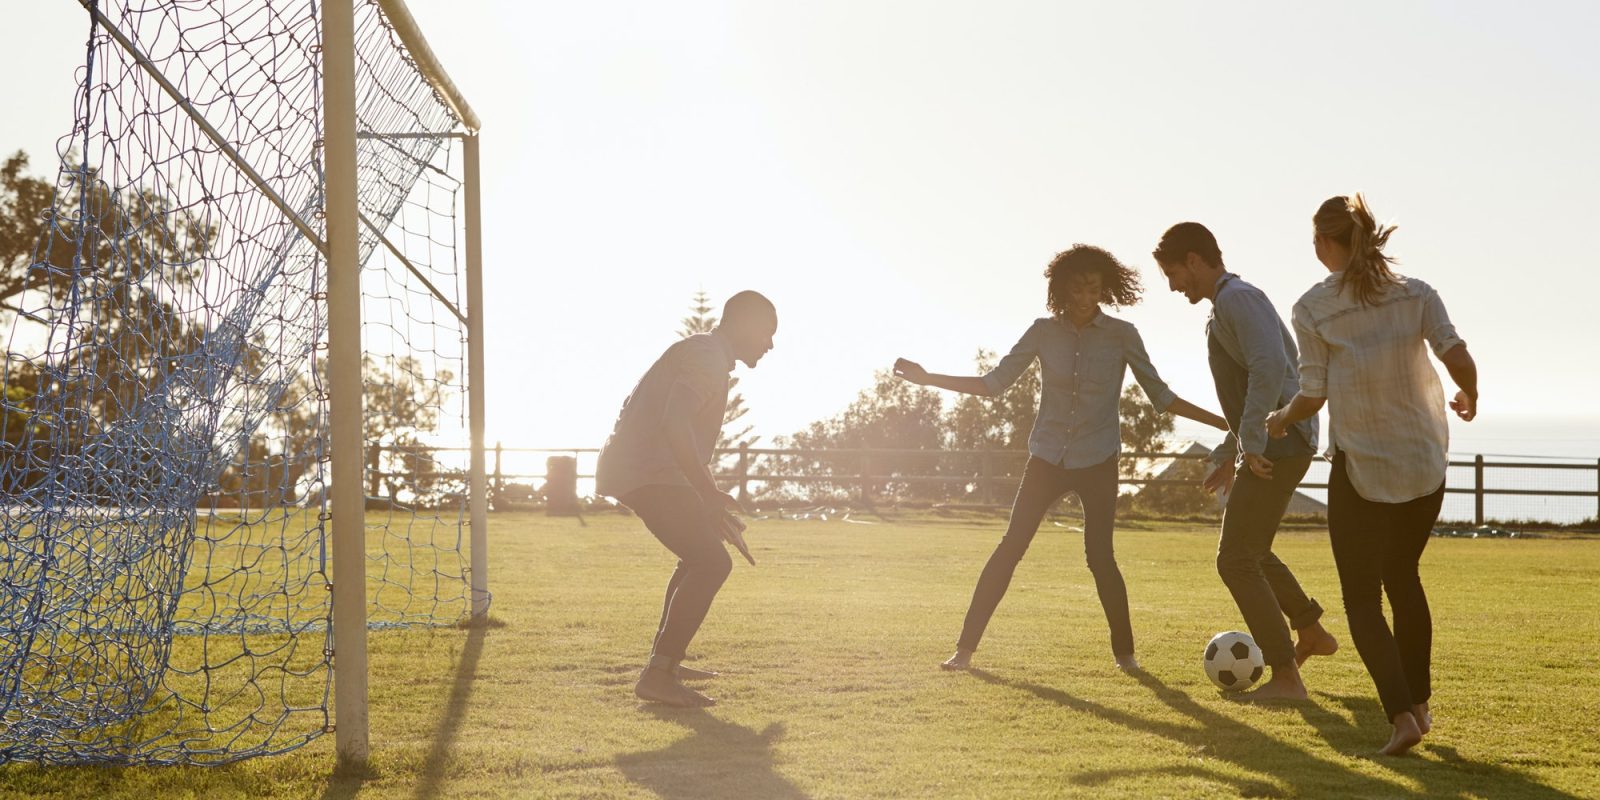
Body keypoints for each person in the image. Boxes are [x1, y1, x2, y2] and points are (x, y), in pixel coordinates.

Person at [895, 245, 1228, 673]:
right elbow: (994, 384)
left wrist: (1225, 422)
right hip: (1047, 457)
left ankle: (1126, 658)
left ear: (1103, 288)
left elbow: (1161, 397)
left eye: (1093, 287)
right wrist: (928, 379)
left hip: (1098, 459)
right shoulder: (1041, 332)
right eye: (1076, 288)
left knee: (1100, 557)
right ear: (1061, 289)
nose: (1085, 296)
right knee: (1010, 548)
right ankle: (964, 651)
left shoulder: (1123, 335)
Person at [1267, 194, 1477, 755]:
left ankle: (1403, 715)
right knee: (1403, 577)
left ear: (1325, 244)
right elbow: (1455, 352)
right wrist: (1468, 392)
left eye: (1316, 238)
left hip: (1361, 465)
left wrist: (1281, 418)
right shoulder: (1417, 294)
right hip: (1423, 462)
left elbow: (1313, 393)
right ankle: (1422, 704)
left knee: (1362, 599)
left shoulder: (1313, 308)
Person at [1151, 222, 1340, 702]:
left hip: (1279, 442)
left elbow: (1269, 367)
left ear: (1194, 259)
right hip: (1272, 441)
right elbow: (1244, 391)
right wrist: (1231, 449)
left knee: (1234, 559)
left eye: (1174, 273)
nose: (1174, 285)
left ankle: (1286, 678)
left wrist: (1253, 441)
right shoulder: (1226, 306)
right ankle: (1310, 632)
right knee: (1250, 551)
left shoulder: (1238, 299)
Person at [595, 290, 778, 707]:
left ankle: (667, 663)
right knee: (711, 562)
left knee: (699, 556)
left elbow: (682, 435)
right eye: (768, 332)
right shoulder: (708, 358)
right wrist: (708, 495)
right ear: (745, 324)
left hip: (653, 472)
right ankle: (658, 673)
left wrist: (706, 501)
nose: (770, 344)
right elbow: (676, 424)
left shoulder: (708, 353)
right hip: (648, 472)